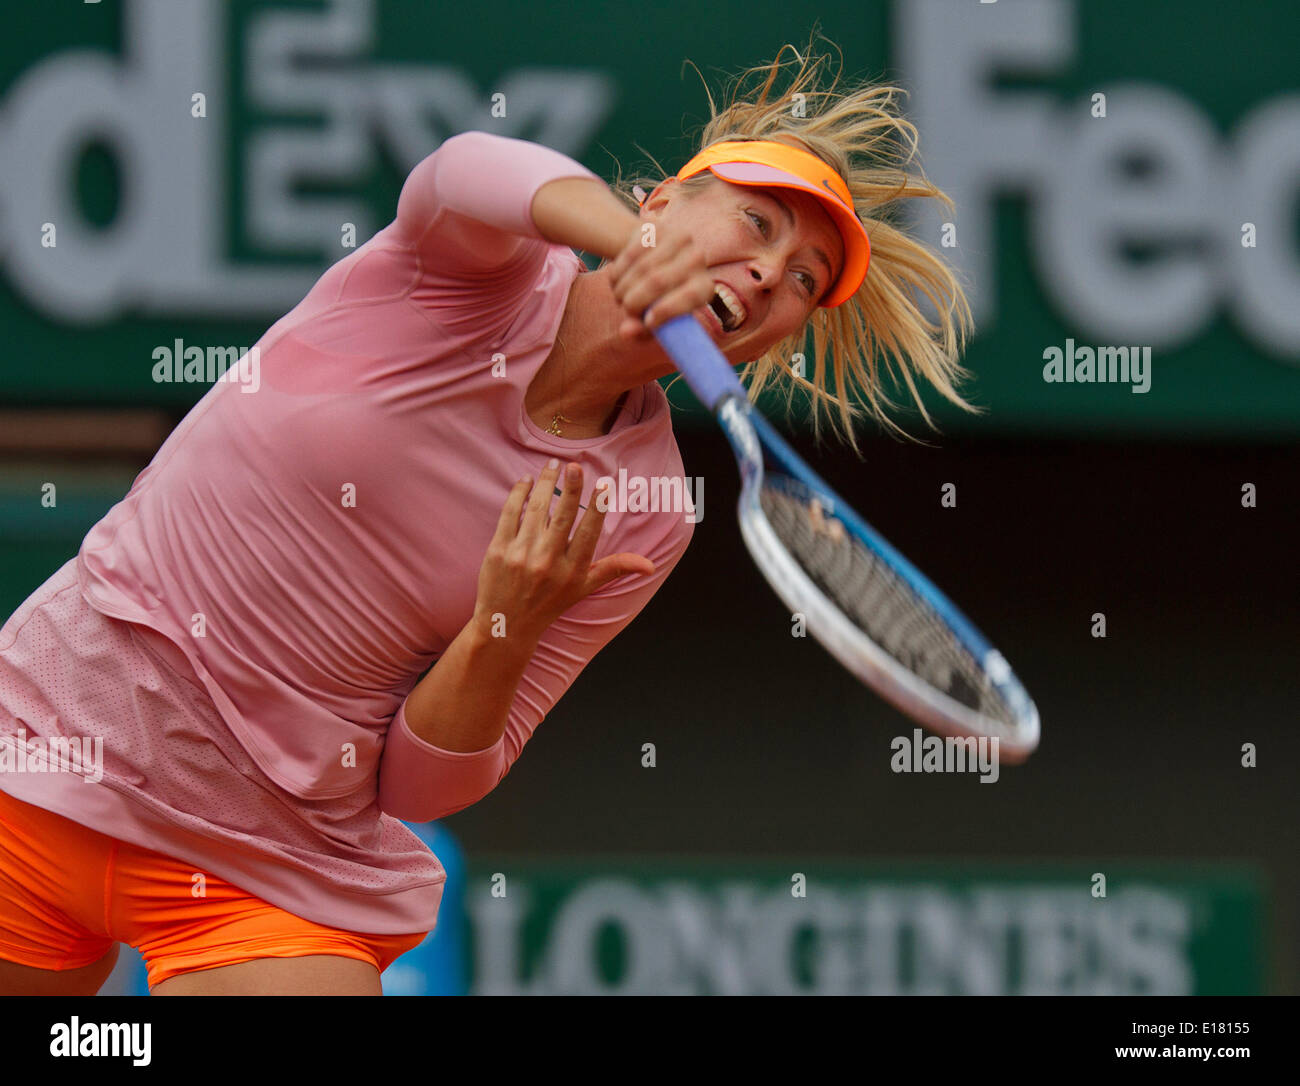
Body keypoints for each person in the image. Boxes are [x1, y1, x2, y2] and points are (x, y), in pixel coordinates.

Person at [0, 40, 975, 995]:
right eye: (758, 225)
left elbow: (421, 790)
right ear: (664, 203)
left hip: (268, 866)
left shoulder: (646, 515)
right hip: (47, 740)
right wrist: (614, 236)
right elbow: (465, 170)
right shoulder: (474, 273)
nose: (771, 273)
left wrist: (503, 624)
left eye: (804, 278)